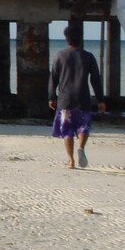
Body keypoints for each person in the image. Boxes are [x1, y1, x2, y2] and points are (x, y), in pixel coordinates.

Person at [48, 25, 107, 169]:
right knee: (83, 127)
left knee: (67, 130)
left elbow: (53, 78)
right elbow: (95, 80)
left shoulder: (60, 56)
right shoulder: (88, 56)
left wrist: (51, 97)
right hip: (83, 98)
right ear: (81, 40)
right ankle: (81, 147)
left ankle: (71, 160)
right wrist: (100, 99)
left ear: (66, 39)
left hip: (65, 99)